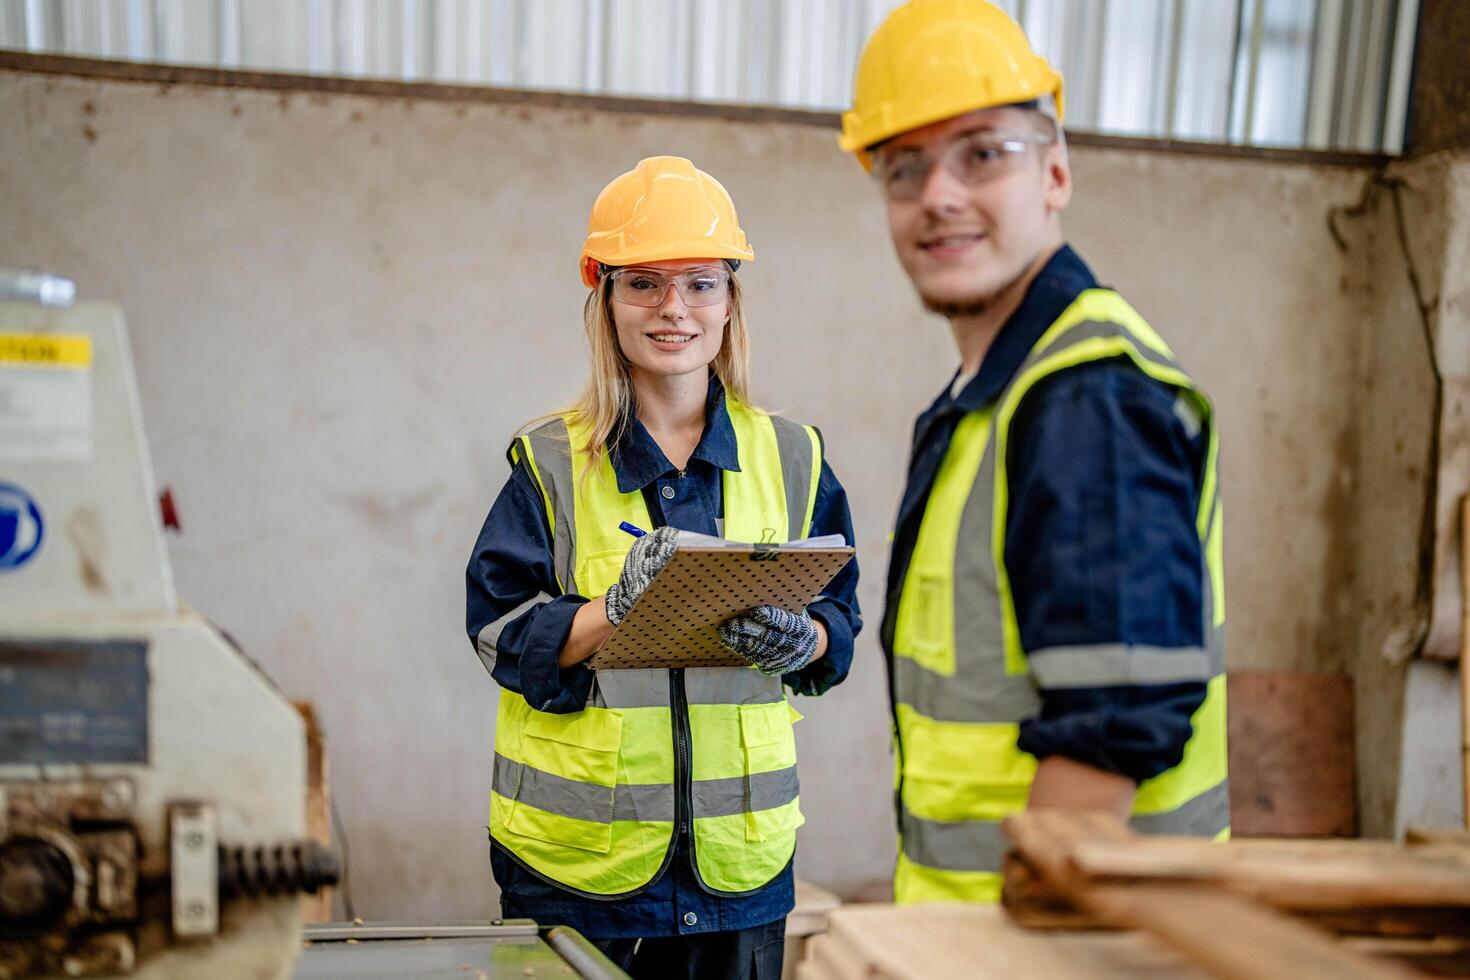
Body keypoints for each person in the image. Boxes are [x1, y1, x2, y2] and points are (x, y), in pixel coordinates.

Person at [838, 0, 1229, 904]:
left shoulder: (1083, 397)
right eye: (905, 168)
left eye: (982, 152)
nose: (937, 194)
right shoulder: (1001, 396)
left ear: (1054, 172)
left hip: (1069, 944)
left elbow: (1117, 718)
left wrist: (1010, 945)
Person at [465, 156, 861, 978]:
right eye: (643, 283)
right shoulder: (550, 461)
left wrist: (806, 644)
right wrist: (615, 609)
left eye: (699, 283)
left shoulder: (793, 456)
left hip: (738, 875)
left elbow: (842, 622)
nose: (673, 308)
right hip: (579, 875)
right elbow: (498, 632)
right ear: (604, 299)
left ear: (729, 301)